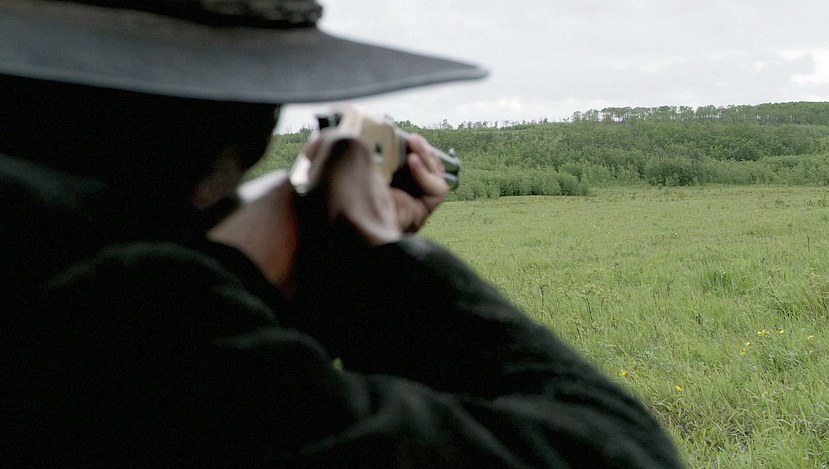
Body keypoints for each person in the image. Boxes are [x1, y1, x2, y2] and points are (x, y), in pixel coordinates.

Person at [0, 1, 684, 467]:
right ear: (240, 126)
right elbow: (619, 451)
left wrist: (253, 270)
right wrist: (377, 257)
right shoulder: (126, 319)